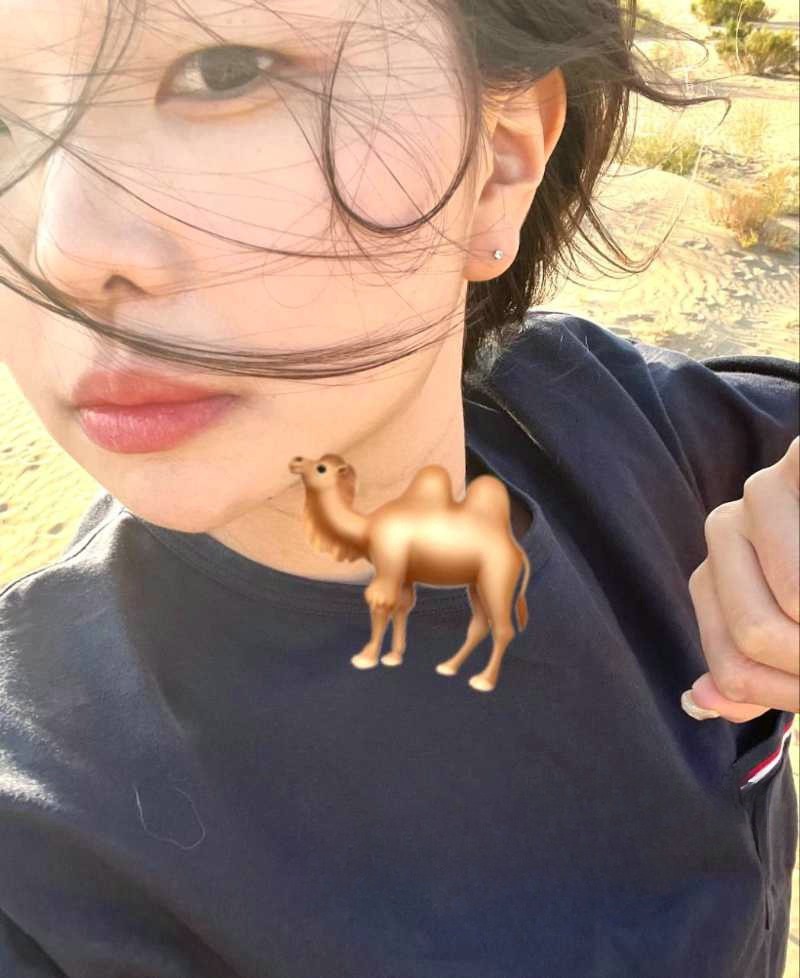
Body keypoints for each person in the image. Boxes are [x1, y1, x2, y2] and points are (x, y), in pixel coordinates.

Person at [0, 2, 797, 976]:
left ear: (496, 163)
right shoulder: (41, 854)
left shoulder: (631, 428)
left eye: (223, 70)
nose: (61, 250)